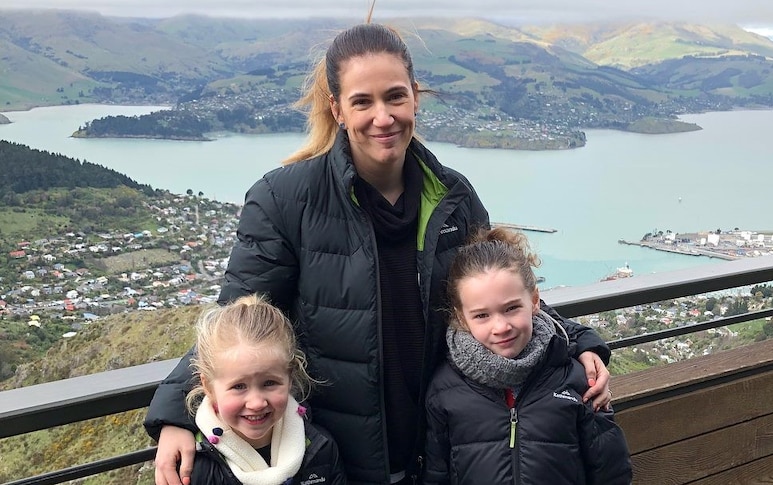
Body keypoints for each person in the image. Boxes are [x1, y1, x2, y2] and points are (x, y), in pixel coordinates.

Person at [144, 22, 613, 485]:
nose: (383, 117)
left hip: (442, 447)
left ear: (414, 95)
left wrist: (578, 343)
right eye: (362, 101)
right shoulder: (285, 200)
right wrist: (176, 416)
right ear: (338, 109)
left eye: (394, 96)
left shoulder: (452, 195)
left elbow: (504, 291)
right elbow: (236, 321)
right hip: (338, 457)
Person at [423, 227, 632, 485]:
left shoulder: (574, 378)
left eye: (511, 308)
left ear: (534, 301)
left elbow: (610, 470)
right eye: (481, 315)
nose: (500, 327)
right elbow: (436, 474)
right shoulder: (445, 390)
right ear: (461, 317)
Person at [182, 294, 345, 485]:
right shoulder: (196, 467)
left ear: (289, 378)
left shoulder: (320, 448)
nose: (257, 403)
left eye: (269, 383)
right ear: (209, 387)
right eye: (239, 386)